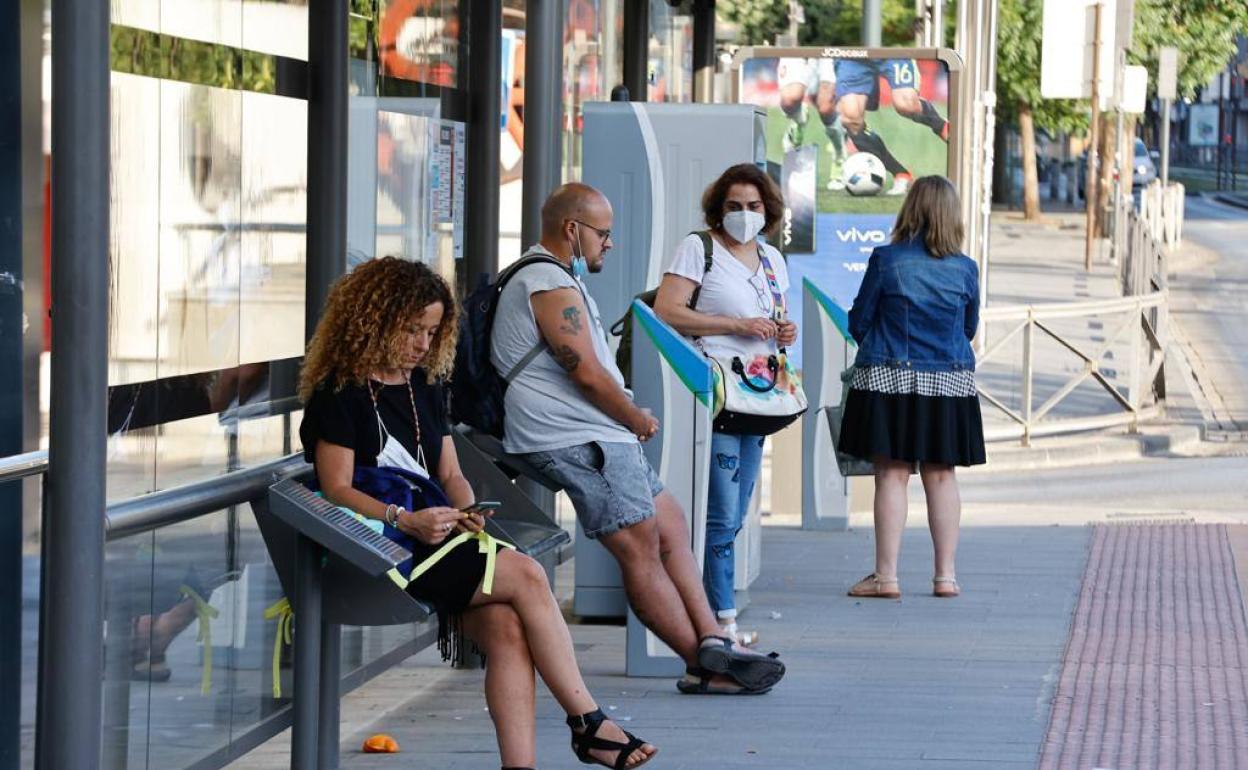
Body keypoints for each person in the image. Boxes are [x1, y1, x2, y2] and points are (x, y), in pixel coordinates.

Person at [299, 257, 657, 770]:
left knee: (508, 630)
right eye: (410, 329)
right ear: (372, 321)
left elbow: (450, 472)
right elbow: (335, 489)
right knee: (529, 576)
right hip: (385, 548)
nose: (422, 344)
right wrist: (408, 519)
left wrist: (466, 508)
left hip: (432, 536)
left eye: (431, 330)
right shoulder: (342, 394)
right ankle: (589, 722)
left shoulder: (422, 385)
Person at [491, 183, 787, 695]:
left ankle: (714, 639)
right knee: (639, 547)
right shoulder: (546, 282)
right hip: (580, 435)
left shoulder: (556, 277)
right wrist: (633, 417)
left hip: (599, 433)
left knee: (669, 522)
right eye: (603, 234)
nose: (609, 244)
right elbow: (584, 370)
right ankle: (705, 664)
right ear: (572, 229)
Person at [653, 164, 796, 646]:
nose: (744, 215)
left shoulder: (774, 259)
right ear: (719, 208)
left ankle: (719, 616)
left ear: (768, 211)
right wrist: (730, 326)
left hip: (759, 397)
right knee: (720, 511)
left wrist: (782, 332)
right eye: (734, 206)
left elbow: (774, 319)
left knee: (735, 514)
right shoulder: (700, 249)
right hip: (714, 393)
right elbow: (667, 311)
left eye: (753, 207)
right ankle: (722, 622)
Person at [839, 176, 985, 599]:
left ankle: (886, 577)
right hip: (950, 382)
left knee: (892, 474)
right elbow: (969, 326)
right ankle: (946, 577)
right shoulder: (965, 268)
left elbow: (859, 321)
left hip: (889, 377)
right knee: (941, 476)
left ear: (910, 211)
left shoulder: (887, 260)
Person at [834, 58, 949, 196]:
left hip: (890, 52)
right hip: (853, 55)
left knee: (906, 105)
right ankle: (900, 174)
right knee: (850, 118)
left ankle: (943, 127)